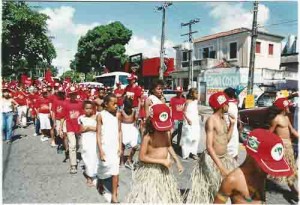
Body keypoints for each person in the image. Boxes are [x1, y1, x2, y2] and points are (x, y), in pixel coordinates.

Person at [214, 129, 293, 204]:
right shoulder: (232, 180)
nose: (268, 172)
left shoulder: (261, 175)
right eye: (267, 165)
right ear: (253, 156)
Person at [186, 91, 238, 203]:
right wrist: (221, 167)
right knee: (214, 191)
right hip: (213, 161)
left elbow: (226, 140)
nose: (228, 106)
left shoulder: (224, 119)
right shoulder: (211, 120)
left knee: (225, 190)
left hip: (224, 158)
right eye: (227, 104)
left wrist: (232, 125)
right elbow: (209, 147)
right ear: (222, 105)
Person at [126, 104, 183, 203]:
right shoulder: (148, 137)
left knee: (163, 196)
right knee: (150, 198)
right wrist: (162, 161)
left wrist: (177, 161)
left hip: (163, 170)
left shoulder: (167, 133)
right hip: (151, 171)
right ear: (152, 122)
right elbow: (142, 157)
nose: (163, 130)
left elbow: (168, 145)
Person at [268, 97, 298, 195]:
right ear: (283, 108)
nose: (289, 108)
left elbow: (292, 130)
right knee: (277, 168)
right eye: (287, 106)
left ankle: (293, 189)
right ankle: (261, 183)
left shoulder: (286, 118)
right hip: (281, 148)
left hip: (289, 148)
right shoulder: (276, 119)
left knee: (291, 169)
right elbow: (270, 133)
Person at [96, 93, 122, 203]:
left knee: (115, 171)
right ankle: (100, 182)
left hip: (115, 147)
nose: (116, 106)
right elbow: (98, 133)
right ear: (106, 104)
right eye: (113, 104)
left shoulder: (118, 115)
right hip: (104, 147)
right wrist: (101, 150)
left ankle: (114, 196)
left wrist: (120, 146)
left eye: (117, 103)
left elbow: (120, 131)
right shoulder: (100, 115)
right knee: (103, 168)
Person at [61, 86, 83, 174]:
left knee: (77, 145)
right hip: (69, 127)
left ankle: (75, 156)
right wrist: (60, 129)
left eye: (74, 94)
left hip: (78, 128)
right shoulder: (65, 104)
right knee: (72, 145)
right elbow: (63, 117)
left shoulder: (80, 103)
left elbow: (83, 116)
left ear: (76, 94)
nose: (73, 96)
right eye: (71, 94)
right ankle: (73, 165)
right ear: (69, 95)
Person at [78, 100, 98, 187]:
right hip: (86, 140)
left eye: (90, 108)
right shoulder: (81, 118)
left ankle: (95, 175)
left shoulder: (97, 117)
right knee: (87, 158)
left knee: (95, 157)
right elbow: (81, 130)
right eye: (86, 108)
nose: (88, 110)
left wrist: (88, 127)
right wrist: (91, 128)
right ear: (83, 109)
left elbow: (98, 128)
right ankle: (89, 177)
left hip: (95, 140)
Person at [181, 88, 200, 160]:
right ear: (192, 94)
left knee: (195, 137)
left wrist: (200, 115)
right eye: (196, 93)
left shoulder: (196, 102)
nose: (197, 95)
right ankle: (185, 154)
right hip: (188, 122)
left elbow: (195, 110)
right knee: (187, 138)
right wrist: (188, 120)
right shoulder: (187, 102)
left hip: (195, 122)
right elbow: (183, 112)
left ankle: (193, 153)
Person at [119, 97, 139, 170]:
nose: (129, 107)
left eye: (130, 105)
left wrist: (137, 114)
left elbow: (136, 120)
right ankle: (121, 162)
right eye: (127, 105)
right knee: (122, 147)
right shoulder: (121, 111)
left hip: (132, 129)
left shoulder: (134, 111)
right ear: (124, 105)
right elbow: (119, 121)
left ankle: (129, 160)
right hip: (123, 128)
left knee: (135, 146)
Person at [223, 87, 239, 160]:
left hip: (226, 131)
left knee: (226, 152)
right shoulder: (235, 104)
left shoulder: (225, 106)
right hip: (234, 132)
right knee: (234, 152)